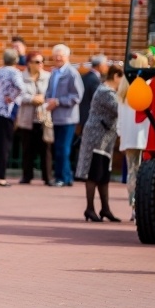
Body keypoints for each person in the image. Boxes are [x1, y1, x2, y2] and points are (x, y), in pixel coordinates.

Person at [75, 64, 124, 222]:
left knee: (103, 175)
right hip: (96, 137)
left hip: (105, 138)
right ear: (116, 76)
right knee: (93, 173)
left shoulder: (110, 92)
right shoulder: (105, 92)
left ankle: (105, 209)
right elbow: (119, 109)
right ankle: (89, 208)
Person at [116, 54, 150, 221]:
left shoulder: (123, 89)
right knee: (146, 174)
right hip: (145, 136)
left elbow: (120, 117)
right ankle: (142, 208)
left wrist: (121, 134)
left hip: (128, 137)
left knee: (132, 173)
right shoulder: (147, 85)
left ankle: (134, 208)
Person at [45, 44, 84, 187]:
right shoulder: (54, 73)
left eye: (61, 55)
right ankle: (62, 177)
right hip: (56, 116)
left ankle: (64, 177)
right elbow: (49, 92)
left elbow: (77, 96)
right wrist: (48, 101)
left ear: (67, 57)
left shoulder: (72, 73)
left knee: (64, 148)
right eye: (56, 55)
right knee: (58, 148)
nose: (58, 57)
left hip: (68, 117)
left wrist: (58, 101)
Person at [0, 48, 25, 186]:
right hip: (4, 110)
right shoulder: (15, 72)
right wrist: (11, 97)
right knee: (4, 145)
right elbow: (21, 87)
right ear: (16, 60)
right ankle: (0, 176)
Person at [16, 51, 52, 185]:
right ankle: (27, 176)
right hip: (27, 117)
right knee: (27, 148)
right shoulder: (21, 77)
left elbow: (51, 93)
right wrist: (32, 99)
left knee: (46, 148)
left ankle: (47, 177)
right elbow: (18, 95)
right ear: (29, 63)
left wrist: (43, 99)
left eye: (42, 61)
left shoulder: (48, 77)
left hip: (43, 117)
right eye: (37, 62)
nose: (40, 64)